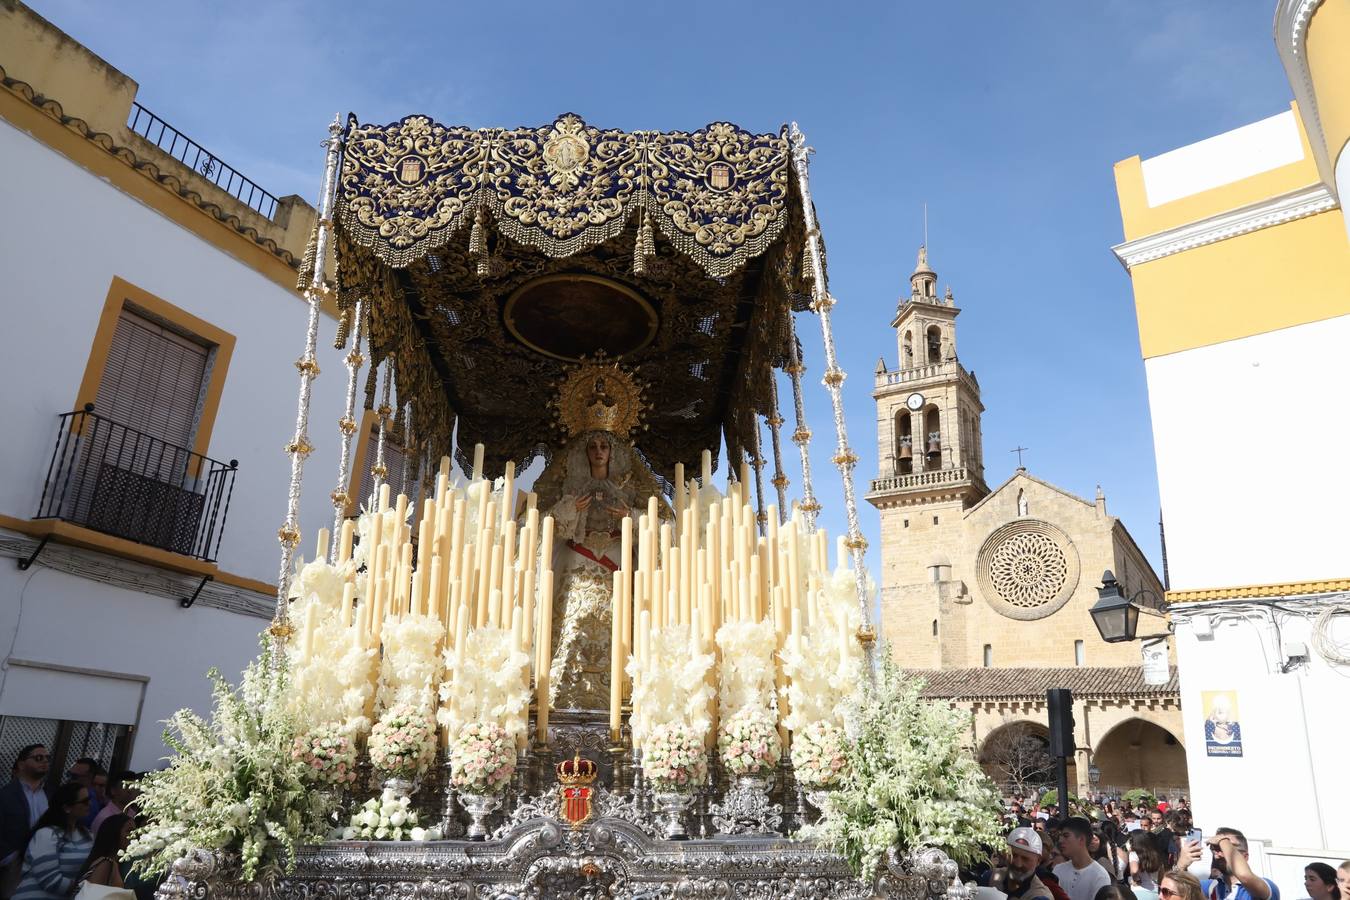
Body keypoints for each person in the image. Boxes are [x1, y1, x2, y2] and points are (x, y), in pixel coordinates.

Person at [533, 428, 668, 710]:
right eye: (592, 446)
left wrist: (630, 516)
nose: (598, 451)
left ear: (612, 452)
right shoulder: (567, 486)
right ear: (584, 453)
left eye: (603, 446)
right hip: (575, 563)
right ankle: (561, 691)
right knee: (571, 623)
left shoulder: (632, 487)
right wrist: (568, 509)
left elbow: (666, 527)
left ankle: (622, 691)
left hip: (617, 562)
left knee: (620, 623)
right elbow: (533, 524)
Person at [13, 782, 93, 900]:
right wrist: (86, 889)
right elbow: (50, 880)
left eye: (90, 799)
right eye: (85, 801)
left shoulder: (87, 835)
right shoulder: (46, 835)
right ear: (67, 808)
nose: (90, 804)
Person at [0, 745, 51, 891]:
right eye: (38, 758)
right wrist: (10, 859)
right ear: (21, 764)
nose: (45, 761)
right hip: (14, 868)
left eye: (47, 758)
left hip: (45, 864)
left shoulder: (50, 793)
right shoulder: (6, 795)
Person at [1177, 828, 1276, 900]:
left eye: (1225, 848)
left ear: (1245, 856)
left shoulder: (1267, 887)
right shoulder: (1213, 886)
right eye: (1215, 849)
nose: (1218, 854)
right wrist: (1181, 866)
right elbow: (1178, 889)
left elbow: (1245, 875)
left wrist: (1222, 840)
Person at [1054, 817, 1114, 900]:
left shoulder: (1099, 875)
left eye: (1066, 836)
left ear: (1081, 839)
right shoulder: (1058, 870)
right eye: (1060, 836)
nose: (1060, 840)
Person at [77, 814, 131, 889]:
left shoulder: (120, 862)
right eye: (129, 831)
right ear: (114, 833)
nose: (135, 834)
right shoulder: (105, 864)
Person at [1001, 826, 1055, 900]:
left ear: (1038, 861)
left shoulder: (1040, 896)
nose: (1018, 864)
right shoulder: (991, 877)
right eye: (1014, 855)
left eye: (1025, 859)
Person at [64, 760, 104, 829]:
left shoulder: (89, 804)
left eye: (74, 776)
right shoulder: (69, 793)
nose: (69, 779)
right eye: (68, 774)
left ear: (89, 778)